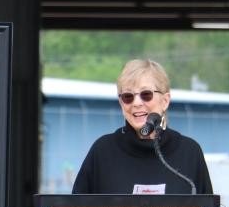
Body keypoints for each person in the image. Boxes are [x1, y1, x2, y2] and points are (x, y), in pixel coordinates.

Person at [72, 59, 213, 196]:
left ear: (165, 101)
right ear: (121, 103)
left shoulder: (189, 152)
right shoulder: (102, 151)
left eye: (146, 95)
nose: (137, 103)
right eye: (128, 96)